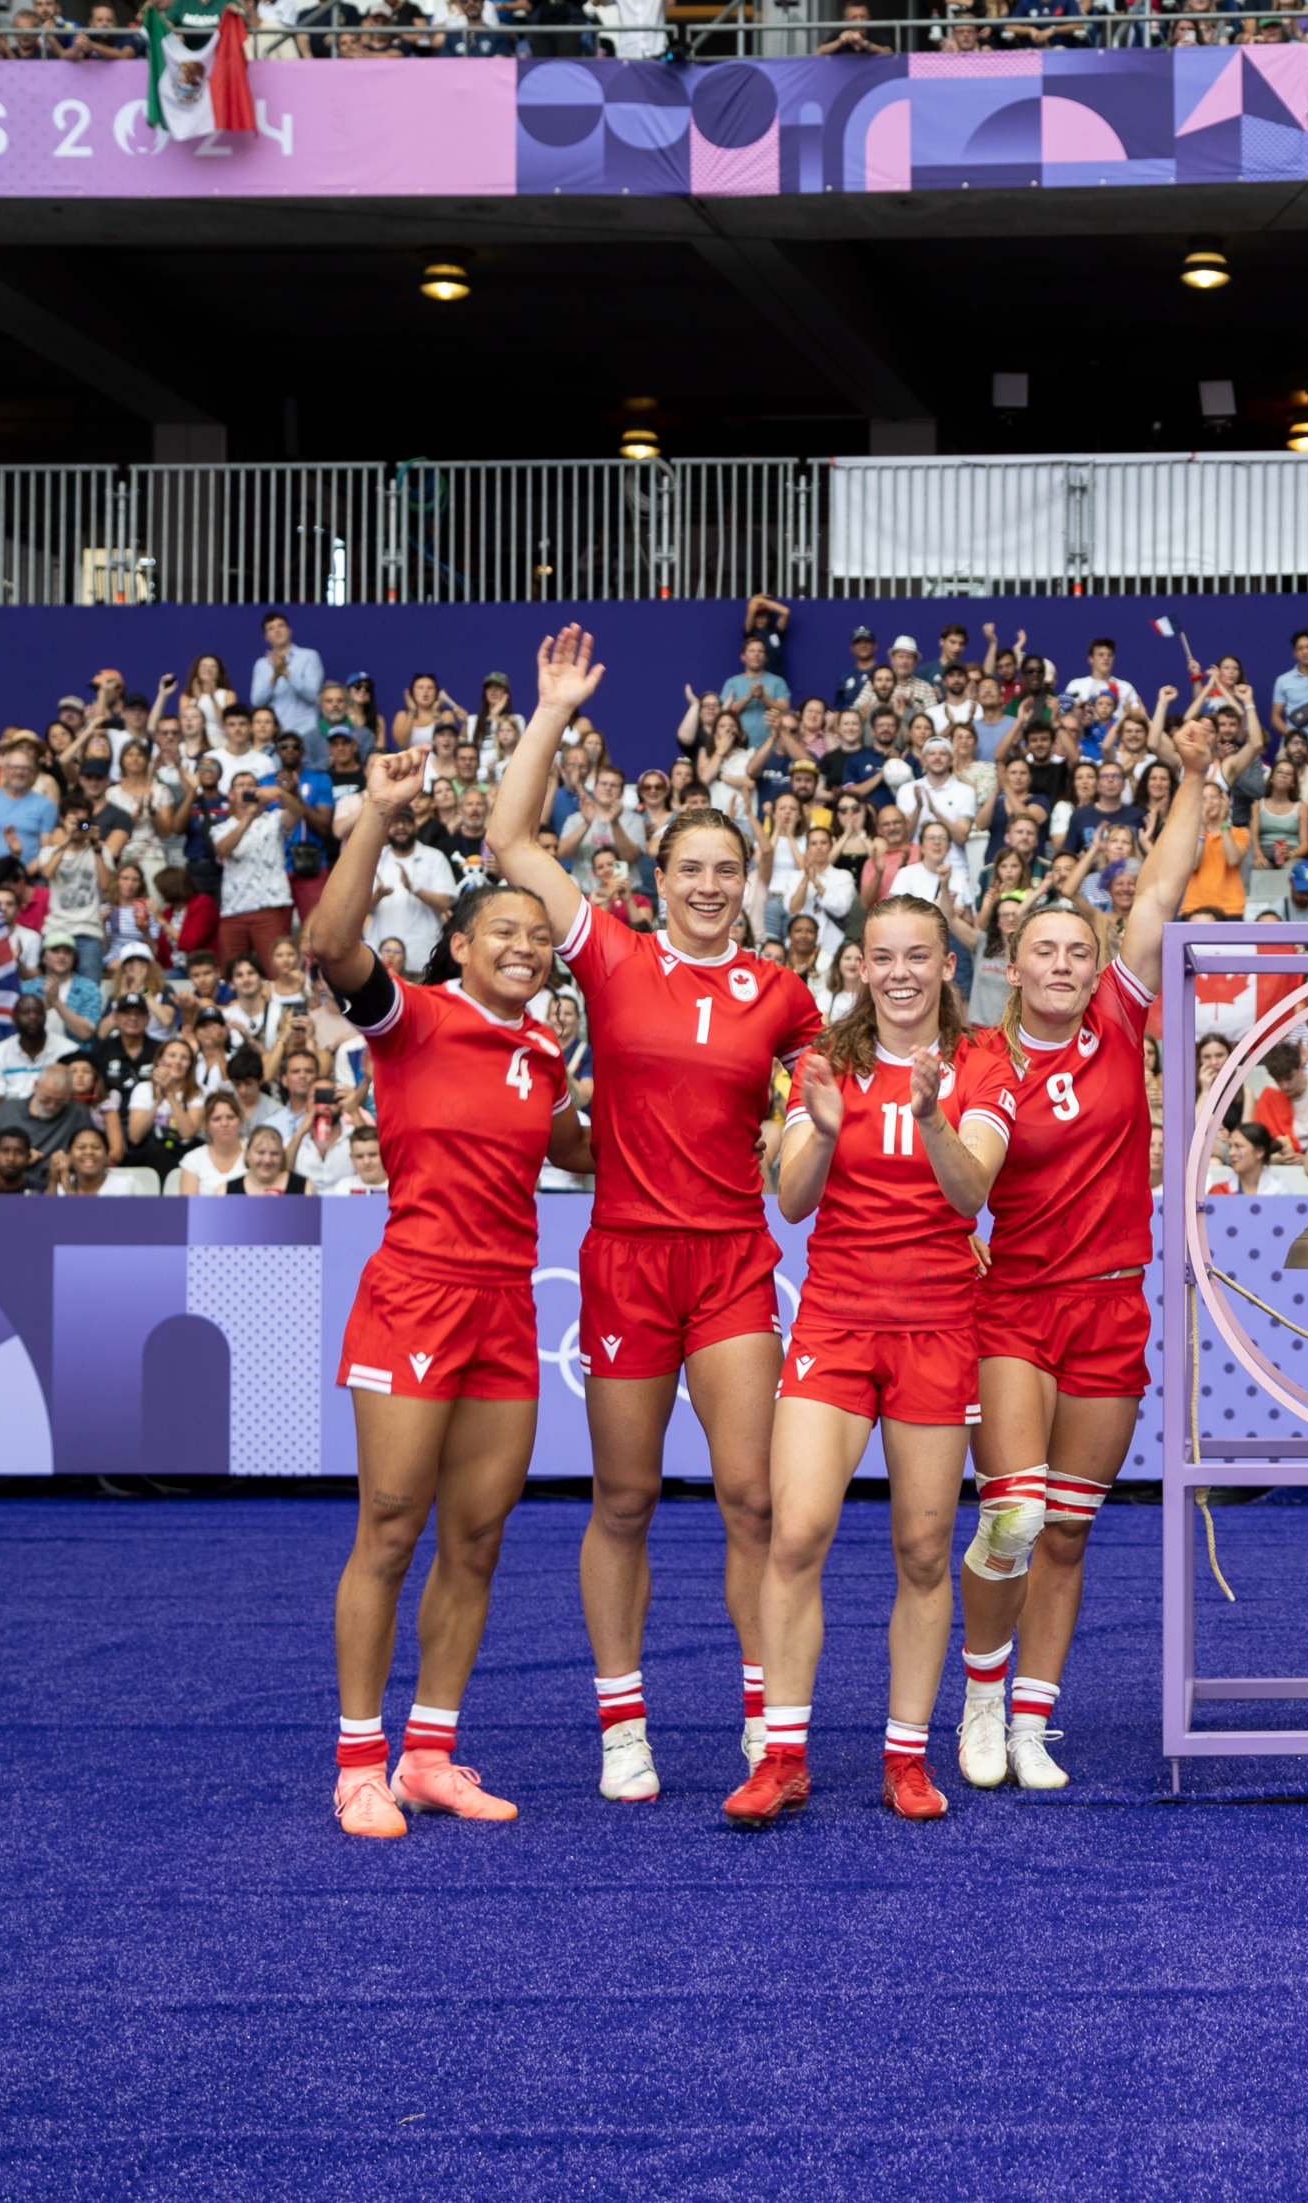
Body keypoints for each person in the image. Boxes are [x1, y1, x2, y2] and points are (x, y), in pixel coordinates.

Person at [488, 628, 823, 1805]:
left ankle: (757, 1715)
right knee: (623, 1499)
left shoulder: (781, 992)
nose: (707, 885)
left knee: (752, 1499)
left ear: (747, 882)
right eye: (689, 869)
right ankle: (622, 1724)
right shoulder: (611, 955)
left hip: (734, 1259)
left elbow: (824, 1102)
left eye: (725, 871)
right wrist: (551, 709)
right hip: (626, 1258)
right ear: (660, 879)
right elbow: (508, 841)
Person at [305, 735, 591, 1840]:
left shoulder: (543, 1054)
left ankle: (430, 1752)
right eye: (502, 932)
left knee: (477, 1536)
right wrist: (375, 815)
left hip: (506, 1307)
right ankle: (357, 1763)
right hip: (415, 1294)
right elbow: (330, 945)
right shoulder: (411, 1016)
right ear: (460, 944)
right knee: (389, 1524)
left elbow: (575, 1145)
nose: (523, 946)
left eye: (536, 935)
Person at [947, 702, 1220, 1793]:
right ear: (1011, 969)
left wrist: (1193, 776)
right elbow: (967, 1163)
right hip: (1014, 1305)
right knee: (1009, 1516)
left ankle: (1031, 1720)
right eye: (1041, 952)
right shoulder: (981, 1062)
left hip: (1112, 1303)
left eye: (1076, 948)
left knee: (1067, 1532)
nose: (1062, 964)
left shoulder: (1118, 1012)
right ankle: (977, 1695)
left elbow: (1159, 885)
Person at [725, 898, 1019, 1830]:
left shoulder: (980, 1060)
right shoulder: (830, 1062)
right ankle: (781, 1754)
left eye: (917, 956)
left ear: (943, 964)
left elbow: (971, 1187)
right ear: (860, 965)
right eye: (883, 956)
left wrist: (931, 1115)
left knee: (925, 1549)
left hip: (937, 1324)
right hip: (837, 1320)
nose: (900, 972)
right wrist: (813, 1123)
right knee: (797, 1531)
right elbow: (795, 1201)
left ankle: (905, 1757)